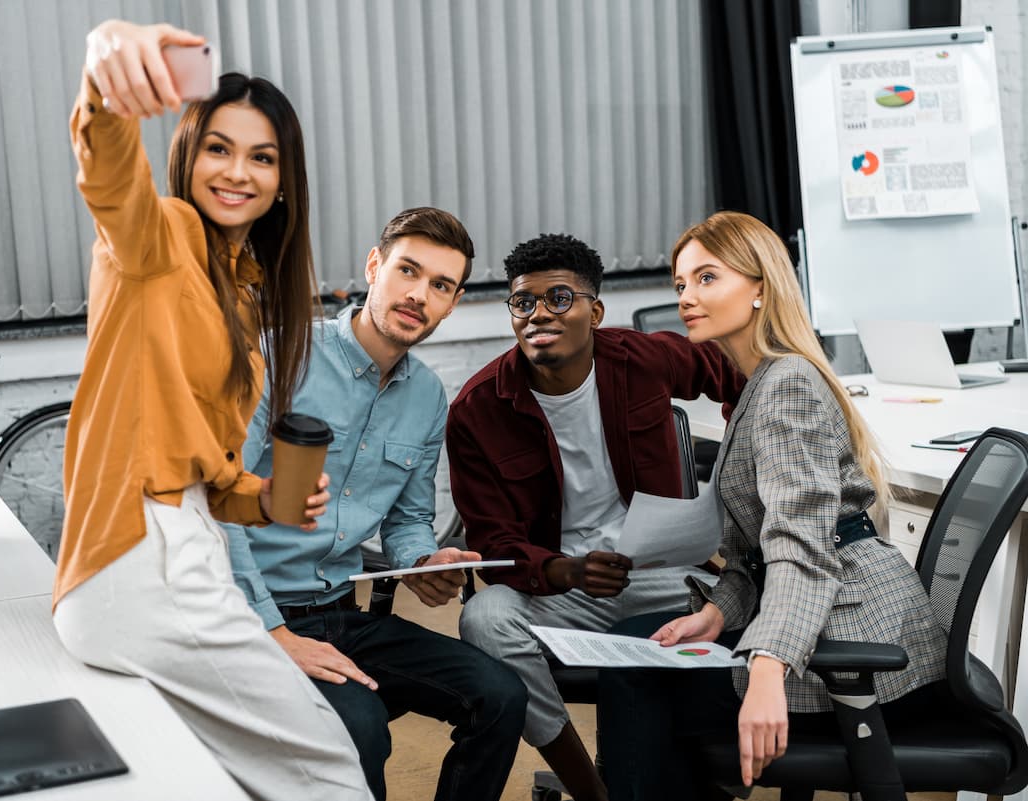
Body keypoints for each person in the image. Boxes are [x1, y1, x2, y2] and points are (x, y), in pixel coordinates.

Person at [51, 20, 370, 800]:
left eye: (262, 157)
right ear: (188, 153)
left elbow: (210, 462)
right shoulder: (161, 239)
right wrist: (106, 68)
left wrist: (258, 497)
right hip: (142, 557)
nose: (238, 173)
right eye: (219, 148)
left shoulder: (249, 291)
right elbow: (109, 176)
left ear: (285, 179)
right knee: (328, 767)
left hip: (179, 545)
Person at [596, 211, 949, 800]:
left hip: (853, 644)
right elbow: (762, 551)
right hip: (830, 615)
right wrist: (716, 614)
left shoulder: (786, 382)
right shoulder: (763, 378)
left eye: (708, 278)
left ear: (760, 285)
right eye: (681, 284)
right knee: (639, 645)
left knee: (637, 675)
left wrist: (766, 668)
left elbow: (801, 547)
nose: (687, 297)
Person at [225, 207, 528, 801]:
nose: (419, 295)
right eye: (408, 271)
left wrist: (422, 563)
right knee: (361, 728)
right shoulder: (277, 357)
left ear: (454, 302)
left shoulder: (427, 395)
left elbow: (409, 519)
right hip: (249, 617)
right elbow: (215, 507)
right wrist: (273, 631)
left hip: (345, 613)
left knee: (501, 695)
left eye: (440, 285)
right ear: (374, 266)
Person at [446, 233, 745, 801]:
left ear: (595, 310)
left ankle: (708, 775)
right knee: (485, 620)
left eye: (559, 298)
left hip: (658, 570)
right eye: (522, 301)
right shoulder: (477, 409)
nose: (538, 314)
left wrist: (741, 456)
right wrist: (568, 572)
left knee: (747, 602)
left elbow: (735, 372)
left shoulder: (640, 358)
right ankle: (591, 789)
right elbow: (494, 543)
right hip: (561, 589)